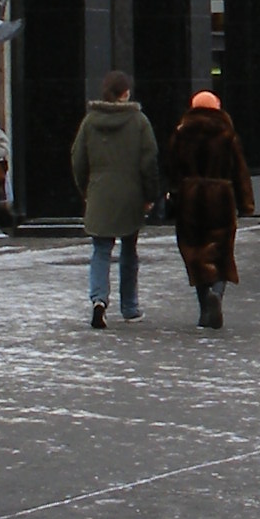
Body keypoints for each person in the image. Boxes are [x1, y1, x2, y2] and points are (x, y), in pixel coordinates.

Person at [69, 69, 160, 329]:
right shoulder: (139, 121)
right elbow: (149, 161)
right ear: (126, 93)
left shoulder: (89, 122)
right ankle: (129, 307)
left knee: (100, 250)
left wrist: (87, 189)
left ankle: (99, 300)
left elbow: (77, 159)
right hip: (131, 193)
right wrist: (150, 195)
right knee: (129, 250)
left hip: (99, 192)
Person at [161, 91, 253, 329]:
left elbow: (170, 168)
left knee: (194, 252)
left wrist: (173, 191)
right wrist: (246, 203)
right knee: (221, 250)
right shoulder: (226, 134)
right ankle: (217, 292)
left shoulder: (181, 133)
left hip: (189, 198)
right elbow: (239, 171)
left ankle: (205, 306)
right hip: (220, 197)